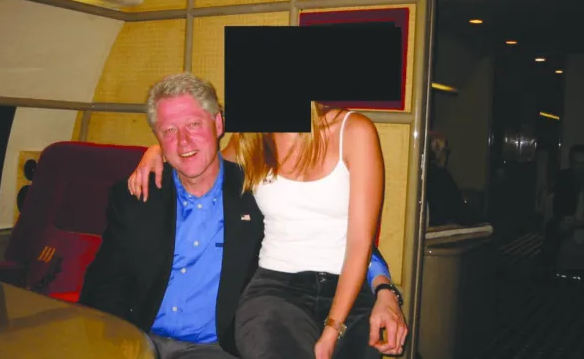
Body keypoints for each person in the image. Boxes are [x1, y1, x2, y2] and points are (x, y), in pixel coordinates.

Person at [81, 72, 406, 359]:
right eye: (169, 131)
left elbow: (342, 235)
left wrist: (383, 289)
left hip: (209, 350)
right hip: (140, 342)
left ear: (218, 124)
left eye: (194, 124)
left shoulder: (252, 193)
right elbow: (104, 284)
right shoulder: (140, 196)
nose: (183, 141)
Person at [541, 144, 584, 275]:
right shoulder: (563, 177)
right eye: (577, 163)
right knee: (552, 226)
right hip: (569, 218)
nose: (581, 167)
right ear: (571, 163)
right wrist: (565, 219)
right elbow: (558, 206)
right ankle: (548, 269)